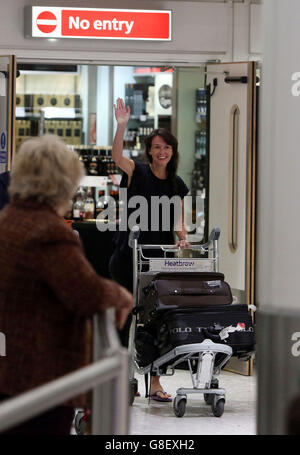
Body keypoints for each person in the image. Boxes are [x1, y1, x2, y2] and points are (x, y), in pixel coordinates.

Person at [0, 134, 133, 435]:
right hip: (40, 374)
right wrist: (120, 293)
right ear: (64, 182)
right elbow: (87, 292)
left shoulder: (10, 217)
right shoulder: (47, 231)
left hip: (10, 366)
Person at [109, 98, 190, 402]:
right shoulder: (137, 172)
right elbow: (117, 156)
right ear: (149, 151)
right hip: (128, 254)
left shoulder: (176, 183)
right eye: (156, 147)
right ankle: (117, 379)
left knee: (155, 318)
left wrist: (182, 238)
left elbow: (179, 219)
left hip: (158, 255)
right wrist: (121, 126)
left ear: (172, 152)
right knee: (125, 315)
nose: (161, 152)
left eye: (166, 147)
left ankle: (154, 382)